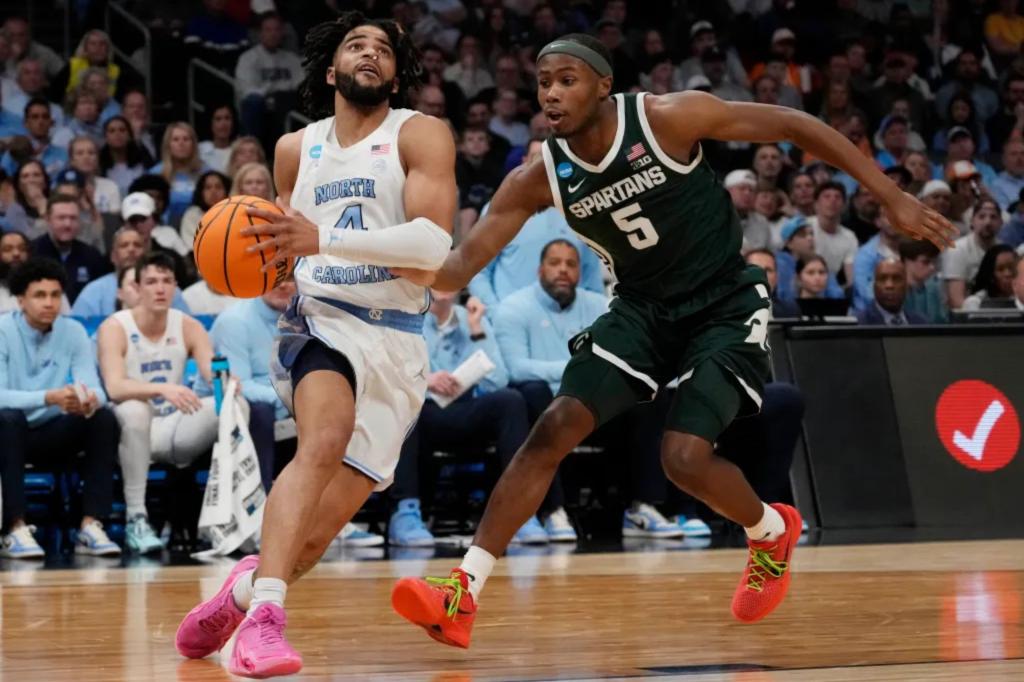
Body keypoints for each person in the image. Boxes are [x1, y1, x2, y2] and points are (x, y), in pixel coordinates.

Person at [385, 32, 955, 647]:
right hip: (642, 310)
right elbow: (455, 269)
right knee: (552, 427)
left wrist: (891, 196)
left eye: (567, 80)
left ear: (604, 86)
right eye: (544, 82)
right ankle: (462, 592)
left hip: (723, 301)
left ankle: (769, 532)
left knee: (683, 459)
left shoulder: (666, 118)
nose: (551, 93)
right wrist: (366, 249)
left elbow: (794, 124)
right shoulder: (538, 178)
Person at [173, 13, 455, 677]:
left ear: (396, 75)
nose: (370, 53)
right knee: (323, 439)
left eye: (384, 48)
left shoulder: (419, 133)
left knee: (310, 539)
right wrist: (253, 257)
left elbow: (431, 251)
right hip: (321, 319)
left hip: (398, 341)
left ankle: (241, 593)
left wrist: (322, 239)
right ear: (331, 70)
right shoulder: (296, 149)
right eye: (356, 45)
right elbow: (279, 248)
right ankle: (265, 622)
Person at [97, 253, 226, 554]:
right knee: (135, 409)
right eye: (152, 281)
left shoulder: (189, 326)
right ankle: (137, 518)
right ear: (137, 287)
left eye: (167, 281)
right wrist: (162, 389)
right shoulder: (115, 327)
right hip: (129, 433)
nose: (160, 288)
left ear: (176, 287)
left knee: (234, 406)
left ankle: (227, 516)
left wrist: (226, 382)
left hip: (174, 430)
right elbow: (115, 388)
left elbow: (212, 373)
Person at [0, 258, 120, 559]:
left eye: (55, 295)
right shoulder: (2, 330)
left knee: (102, 418)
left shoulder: (73, 331)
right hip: (9, 434)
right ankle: (14, 528)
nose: (49, 303)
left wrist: (87, 400)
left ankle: (90, 526)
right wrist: (49, 397)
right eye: (39, 295)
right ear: (21, 300)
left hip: (52, 432)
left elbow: (97, 389)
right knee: (7, 419)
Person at [468, 137, 605, 310]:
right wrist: (497, 313)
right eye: (537, 158)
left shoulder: (582, 210)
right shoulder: (500, 208)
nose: (543, 167)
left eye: (550, 159)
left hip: (570, 321)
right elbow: (477, 271)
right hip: (513, 319)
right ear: (524, 162)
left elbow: (592, 280)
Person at [70, 225, 190, 318]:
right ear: (113, 256)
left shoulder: (167, 288)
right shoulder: (93, 291)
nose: (131, 250)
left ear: (146, 253)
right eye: (124, 245)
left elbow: (185, 326)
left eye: (137, 245)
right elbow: (79, 330)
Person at [31, 193, 110, 303]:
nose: (67, 224)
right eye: (61, 218)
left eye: (73, 218)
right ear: (48, 219)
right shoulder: (31, 253)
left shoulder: (92, 256)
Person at [942, 198, 1003, 309]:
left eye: (993, 217)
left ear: (1001, 222)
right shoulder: (957, 250)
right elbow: (956, 301)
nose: (988, 222)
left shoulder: (1004, 251)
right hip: (965, 315)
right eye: (982, 216)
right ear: (972, 221)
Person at [855, 259, 926, 325]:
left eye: (896, 279)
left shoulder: (921, 323)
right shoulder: (859, 324)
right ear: (874, 286)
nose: (889, 285)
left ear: (906, 285)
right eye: (882, 279)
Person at [899, 239, 949, 324]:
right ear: (907, 261)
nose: (932, 267)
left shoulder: (934, 288)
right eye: (925, 262)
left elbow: (942, 322)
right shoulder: (897, 292)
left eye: (934, 262)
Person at [962, 245, 1018, 310]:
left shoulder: (1021, 298)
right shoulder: (975, 302)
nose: (1007, 274)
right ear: (991, 275)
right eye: (1000, 269)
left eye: (1011, 267)